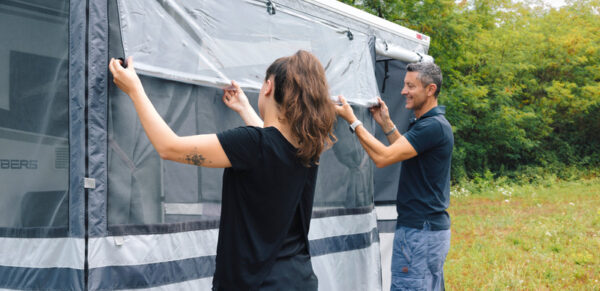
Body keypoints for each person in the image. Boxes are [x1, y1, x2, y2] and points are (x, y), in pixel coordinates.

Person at [108, 50, 336, 291]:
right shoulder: (309, 150)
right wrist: (245, 109)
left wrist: (134, 89)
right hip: (299, 280)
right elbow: (274, 146)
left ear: (268, 87)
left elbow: (169, 147)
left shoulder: (253, 144)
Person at [335, 62, 453, 291]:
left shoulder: (431, 126)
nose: (403, 91)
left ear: (430, 90)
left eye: (411, 86)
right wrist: (386, 122)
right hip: (427, 231)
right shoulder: (431, 125)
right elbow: (404, 152)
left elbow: (384, 158)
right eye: (404, 85)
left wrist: (353, 121)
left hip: (419, 232)